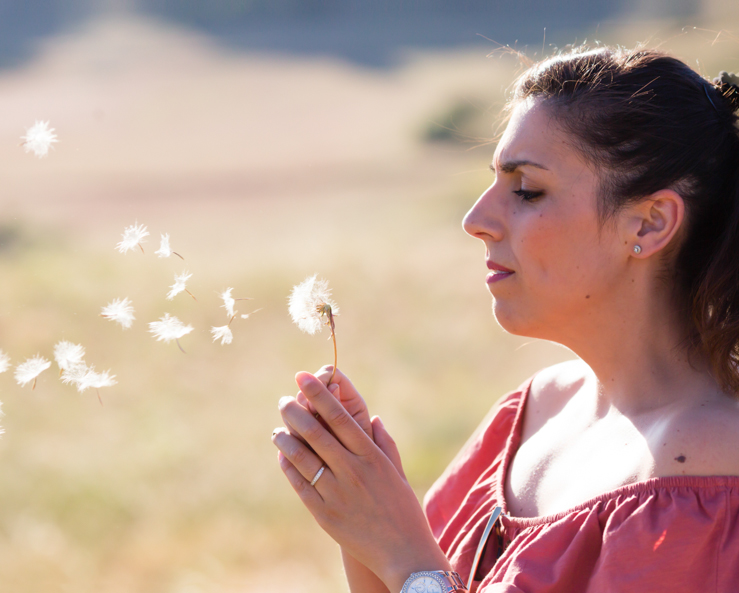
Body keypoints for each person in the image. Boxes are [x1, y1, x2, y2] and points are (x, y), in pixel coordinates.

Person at [271, 45, 739, 592]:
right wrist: (366, 519)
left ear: (649, 223)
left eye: (526, 190)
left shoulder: (707, 471)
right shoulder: (532, 411)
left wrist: (405, 555)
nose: (476, 220)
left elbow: (419, 576)